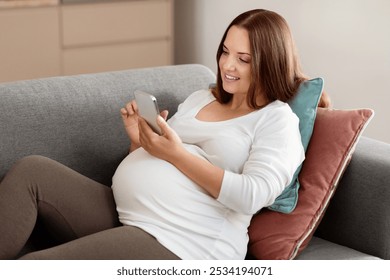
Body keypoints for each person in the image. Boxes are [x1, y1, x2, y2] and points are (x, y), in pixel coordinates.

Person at [0, 9, 329, 260]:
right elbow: (156, 164)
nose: (228, 66)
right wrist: (140, 142)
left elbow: (253, 195)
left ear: (270, 63)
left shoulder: (276, 121)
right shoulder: (204, 97)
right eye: (225, 51)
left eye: (243, 59)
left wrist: (174, 153)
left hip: (187, 243)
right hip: (132, 215)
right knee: (33, 171)